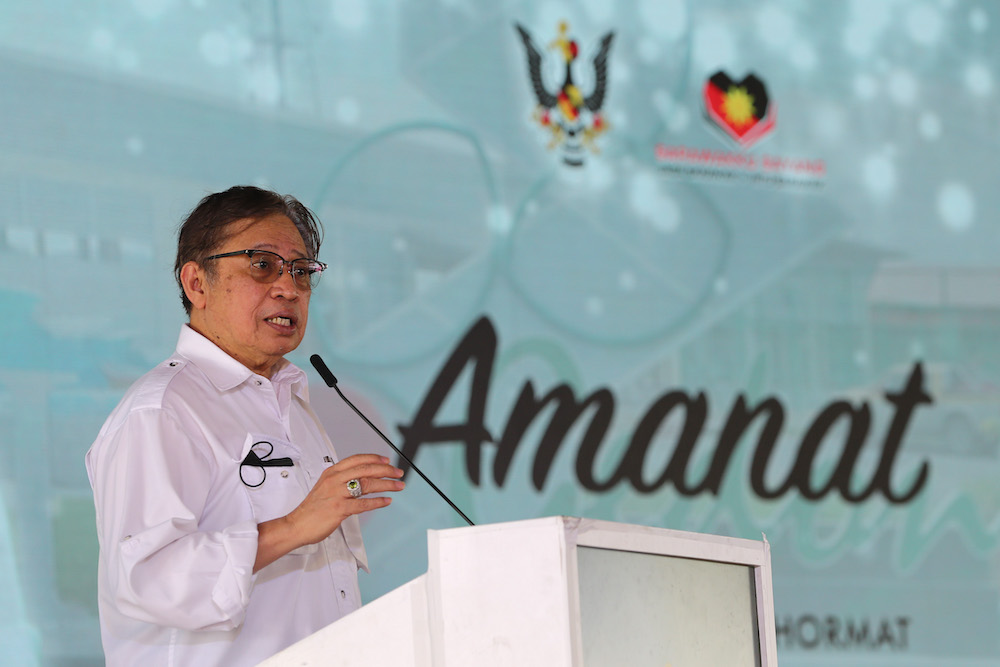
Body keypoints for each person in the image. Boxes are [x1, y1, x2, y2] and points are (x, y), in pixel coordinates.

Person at [86, 185, 405, 666]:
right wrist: (295, 526)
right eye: (262, 266)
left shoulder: (293, 403)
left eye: (301, 271)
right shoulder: (161, 412)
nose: (289, 287)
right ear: (197, 284)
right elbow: (147, 577)